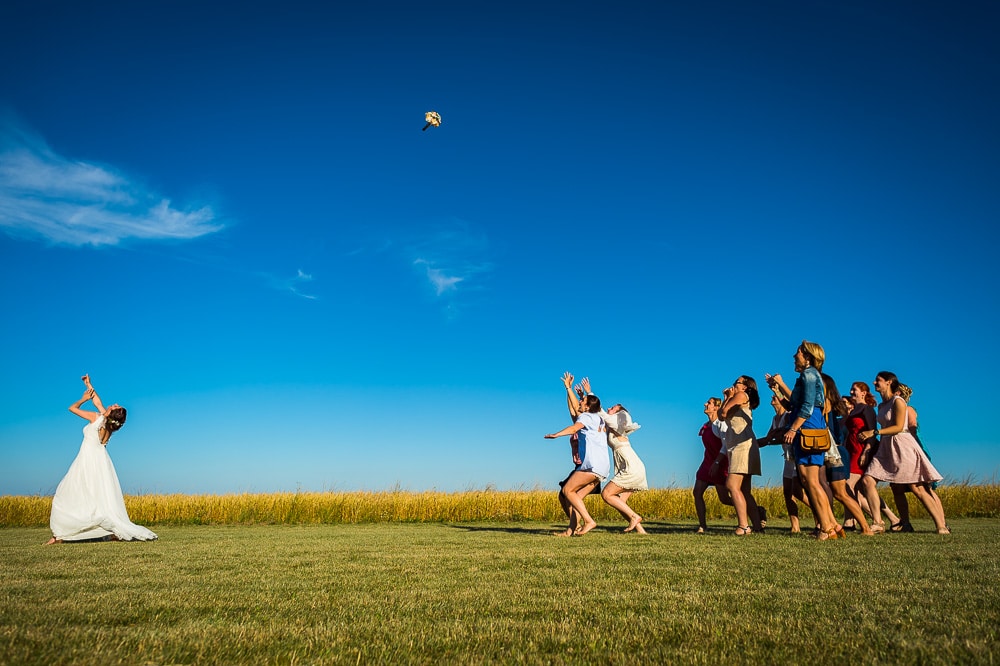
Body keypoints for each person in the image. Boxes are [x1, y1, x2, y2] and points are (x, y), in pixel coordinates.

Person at [46, 375, 157, 544]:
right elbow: (97, 401)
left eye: (115, 406)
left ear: (111, 413)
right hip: (101, 462)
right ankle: (64, 535)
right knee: (96, 498)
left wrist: (83, 399)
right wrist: (89, 385)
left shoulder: (96, 418)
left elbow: (72, 408)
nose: (113, 404)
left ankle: (59, 535)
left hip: (87, 461)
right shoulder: (108, 425)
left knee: (67, 494)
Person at [771, 340, 841, 540]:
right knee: (808, 479)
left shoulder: (809, 375)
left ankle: (827, 527)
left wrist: (793, 428)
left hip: (808, 429)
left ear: (808, 357)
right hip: (807, 427)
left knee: (811, 481)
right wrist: (776, 389)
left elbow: (807, 406)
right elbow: (794, 403)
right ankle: (832, 524)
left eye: (798, 353)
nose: (794, 356)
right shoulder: (807, 376)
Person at [865, 372, 949, 534]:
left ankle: (941, 526)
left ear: (889, 382)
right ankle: (881, 522)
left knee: (916, 487)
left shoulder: (899, 402)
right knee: (871, 481)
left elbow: (897, 427)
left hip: (902, 445)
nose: (874, 382)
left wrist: (874, 432)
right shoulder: (882, 406)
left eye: (878, 380)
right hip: (886, 447)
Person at [544, 372, 610, 536]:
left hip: (591, 466)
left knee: (567, 491)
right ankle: (570, 530)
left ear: (587, 407)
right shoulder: (599, 418)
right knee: (575, 497)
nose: (579, 403)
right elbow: (576, 410)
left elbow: (574, 424)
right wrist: (570, 389)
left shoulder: (587, 417)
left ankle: (589, 521)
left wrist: (556, 434)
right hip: (603, 468)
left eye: (583, 402)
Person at [579, 378, 648, 533]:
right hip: (628, 465)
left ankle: (635, 517)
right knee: (620, 501)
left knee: (607, 494)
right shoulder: (610, 428)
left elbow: (600, 412)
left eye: (613, 408)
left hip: (631, 467)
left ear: (618, 414)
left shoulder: (617, 427)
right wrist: (583, 397)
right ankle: (641, 531)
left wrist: (590, 392)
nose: (609, 408)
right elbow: (591, 414)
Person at [821, 375, 873, 535]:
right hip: (830, 450)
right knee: (830, 490)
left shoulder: (826, 403)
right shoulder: (826, 404)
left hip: (834, 451)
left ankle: (866, 527)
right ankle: (832, 525)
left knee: (841, 492)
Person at [845, 382, 899, 532]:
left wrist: (866, 451)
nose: (851, 392)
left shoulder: (867, 409)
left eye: (854, 390)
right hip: (851, 449)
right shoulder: (853, 410)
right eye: (851, 389)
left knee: (848, 485)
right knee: (860, 489)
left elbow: (872, 431)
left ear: (863, 393)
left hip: (862, 450)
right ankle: (893, 519)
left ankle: (851, 522)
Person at [715, 375, 763, 536]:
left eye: (737, 382)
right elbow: (722, 414)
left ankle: (743, 526)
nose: (734, 384)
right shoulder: (736, 397)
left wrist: (728, 397)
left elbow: (722, 413)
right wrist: (727, 397)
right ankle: (757, 525)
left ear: (745, 386)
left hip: (742, 445)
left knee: (732, 485)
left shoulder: (742, 396)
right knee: (744, 489)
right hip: (738, 444)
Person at [758, 390, 810, 533]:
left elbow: (784, 436)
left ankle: (821, 513)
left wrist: (770, 439)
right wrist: (752, 444)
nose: (772, 397)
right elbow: (769, 438)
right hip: (787, 457)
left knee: (798, 492)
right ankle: (795, 526)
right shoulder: (775, 419)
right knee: (787, 492)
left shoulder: (787, 416)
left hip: (795, 455)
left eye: (775, 395)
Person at [693, 397, 733, 534]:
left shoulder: (721, 424)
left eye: (709, 403)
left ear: (716, 407)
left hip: (720, 463)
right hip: (707, 463)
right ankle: (702, 525)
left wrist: (717, 463)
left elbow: (726, 445)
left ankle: (755, 510)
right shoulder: (705, 426)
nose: (705, 404)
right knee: (697, 492)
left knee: (724, 499)